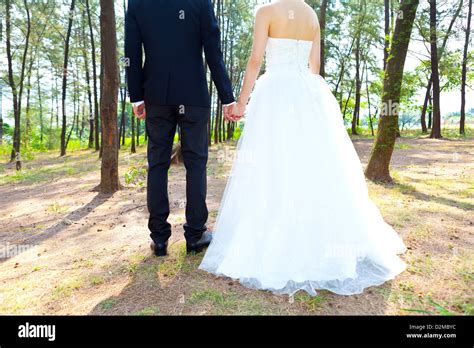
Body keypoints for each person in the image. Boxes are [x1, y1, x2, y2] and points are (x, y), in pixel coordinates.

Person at [199, 0, 407, 296]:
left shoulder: (266, 12)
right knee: (312, 164)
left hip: (275, 93)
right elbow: (315, 66)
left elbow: (256, 59)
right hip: (308, 91)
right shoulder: (310, 14)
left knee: (272, 162)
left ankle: (275, 234)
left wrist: (242, 101)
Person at [125, 0, 236, 256]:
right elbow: (213, 51)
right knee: (196, 163)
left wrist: (136, 96)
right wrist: (226, 97)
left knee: (157, 163)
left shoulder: (139, 4)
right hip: (193, 94)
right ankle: (196, 234)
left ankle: (160, 238)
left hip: (156, 95)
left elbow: (131, 51)